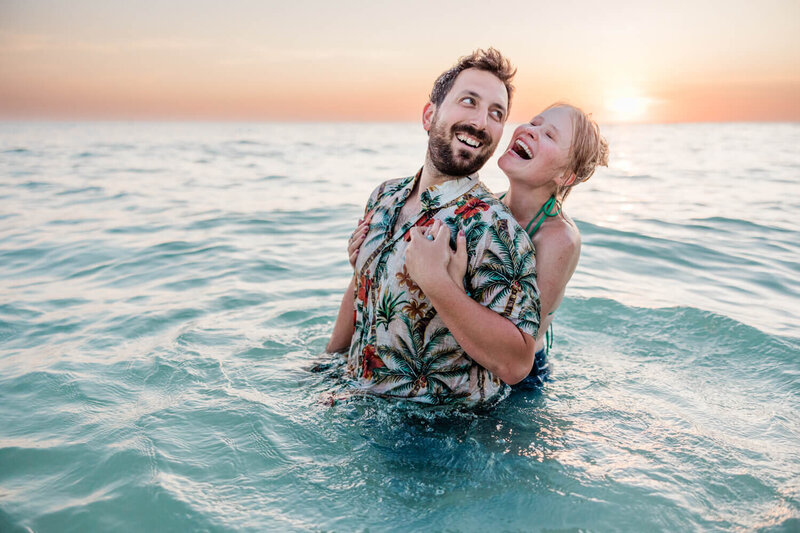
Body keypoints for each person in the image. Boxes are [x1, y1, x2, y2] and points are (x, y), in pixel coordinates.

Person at [326, 48, 541, 405]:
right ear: (430, 115)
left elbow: (517, 363)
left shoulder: (494, 227)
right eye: (468, 101)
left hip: (434, 433)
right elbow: (360, 290)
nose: (480, 122)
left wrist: (436, 282)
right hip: (357, 400)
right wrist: (325, 364)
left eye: (496, 113)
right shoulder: (385, 196)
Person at [350, 103, 609, 388]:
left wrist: (453, 283)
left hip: (517, 380)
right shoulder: (487, 210)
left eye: (549, 135)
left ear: (566, 177)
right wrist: (371, 258)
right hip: (466, 354)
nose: (531, 131)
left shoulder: (559, 238)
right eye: (534, 123)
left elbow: (519, 339)